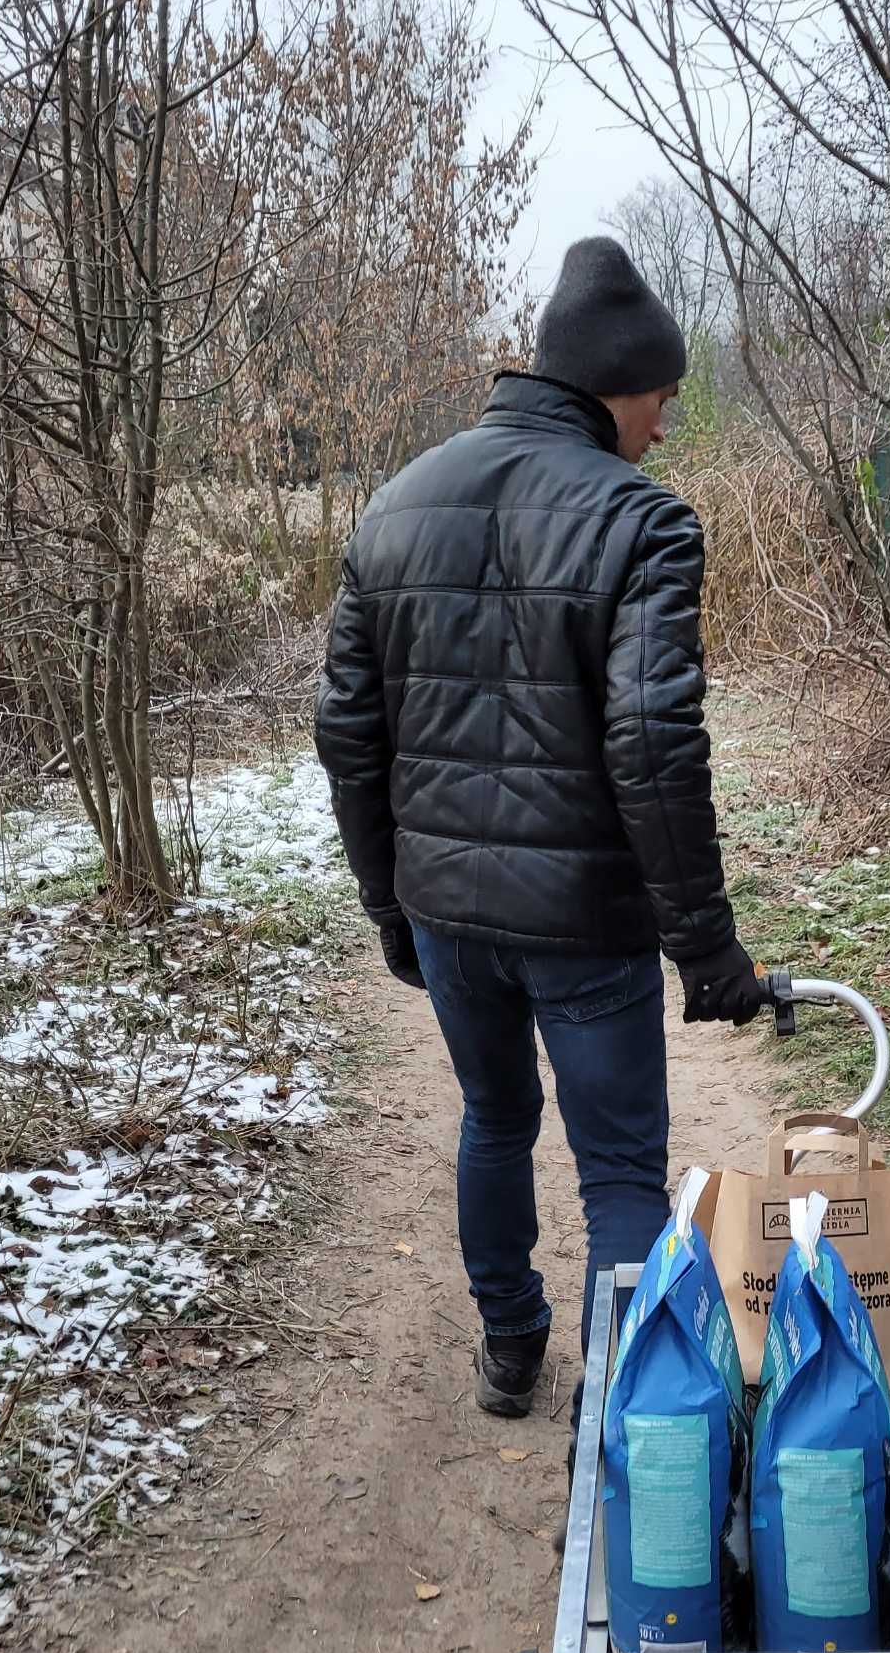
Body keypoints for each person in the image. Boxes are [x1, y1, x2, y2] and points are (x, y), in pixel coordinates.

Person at [315, 235, 762, 1418]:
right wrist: (704, 950)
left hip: (449, 909)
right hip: (586, 923)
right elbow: (654, 746)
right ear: (617, 388)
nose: (662, 428)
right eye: (661, 400)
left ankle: (511, 1347)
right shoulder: (643, 524)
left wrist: (390, 903)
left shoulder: (391, 509)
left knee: (495, 1117)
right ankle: (632, 1430)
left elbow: (347, 734)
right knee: (617, 1167)